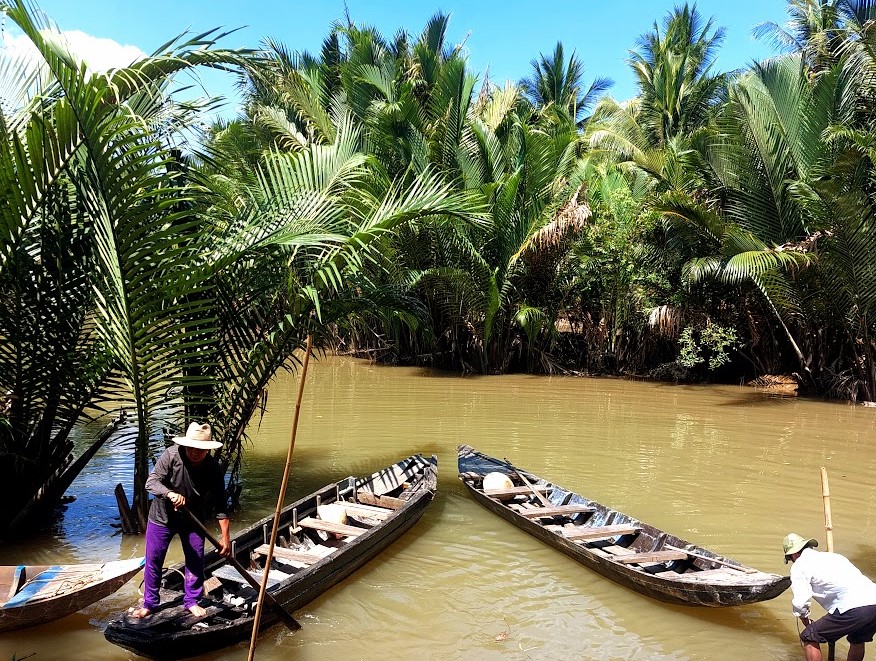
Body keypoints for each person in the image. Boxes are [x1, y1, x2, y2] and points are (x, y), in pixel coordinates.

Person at [131, 422, 231, 619]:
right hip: (162, 517)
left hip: (193, 519)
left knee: (195, 559)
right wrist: (170, 494)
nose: (195, 453)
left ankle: (191, 601)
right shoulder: (171, 455)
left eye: (200, 450)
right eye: (191, 447)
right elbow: (151, 482)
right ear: (185, 445)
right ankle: (150, 603)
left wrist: (225, 539)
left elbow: (221, 505)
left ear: (208, 450)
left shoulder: (213, 468)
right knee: (154, 560)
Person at [783, 532, 876, 661]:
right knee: (857, 639)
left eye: (790, 559)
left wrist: (806, 622)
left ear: (793, 555)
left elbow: (801, 601)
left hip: (853, 606)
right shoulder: (834, 557)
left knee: (810, 636)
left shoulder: (799, 566)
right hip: (873, 601)